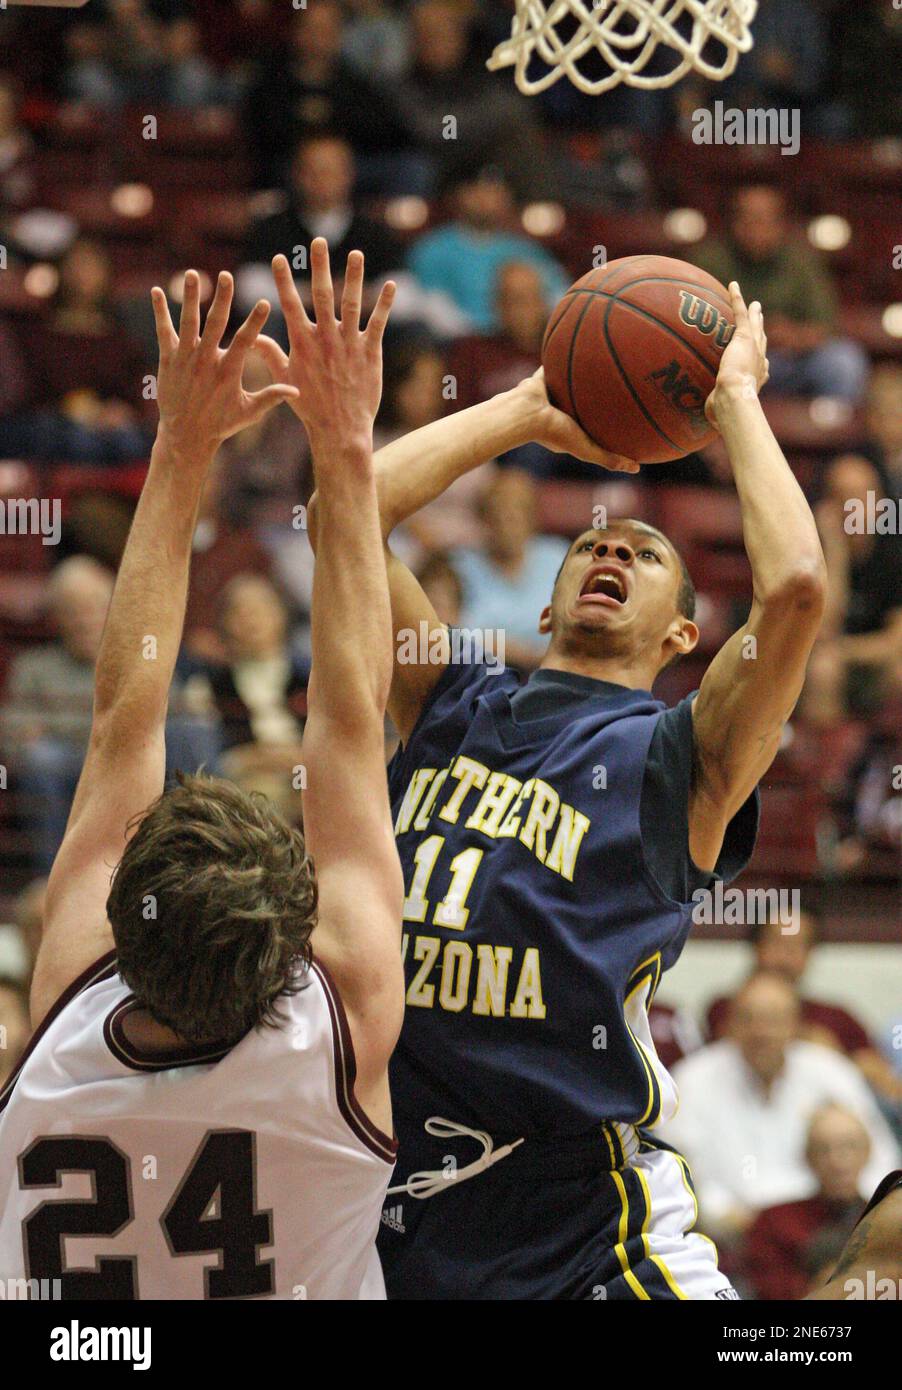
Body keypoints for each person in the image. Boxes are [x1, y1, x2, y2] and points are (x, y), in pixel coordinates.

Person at [268, 276, 828, 1299]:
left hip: (586, 1229)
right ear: (550, 591)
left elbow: (793, 586)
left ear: (678, 635)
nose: (610, 545)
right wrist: (526, 410)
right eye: (592, 543)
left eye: (643, 550)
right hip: (397, 1214)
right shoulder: (452, 699)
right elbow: (344, 510)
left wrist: (734, 398)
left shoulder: (681, 754)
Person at [0, 245, 406, 1300]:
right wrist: (343, 447)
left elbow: (125, 715)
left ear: (118, 928)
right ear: (291, 945)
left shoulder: (63, 1017)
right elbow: (354, 720)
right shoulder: (336, 1026)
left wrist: (185, 446)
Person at [666, 974, 899, 1245]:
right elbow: (677, 1177)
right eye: (748, 1019)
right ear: (730, 1025)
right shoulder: (692, 1080)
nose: (761, 1032)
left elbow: (881, 1161)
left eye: (774, 1020)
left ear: (796, 1025)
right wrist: (733, 1221)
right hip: (732, 1240)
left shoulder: (831, 1071)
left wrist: (859, 1220)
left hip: (831, 1231)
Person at [706, 907, 902, 1108]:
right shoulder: (725, 1008)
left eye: (797, 946)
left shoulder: (839, 1017)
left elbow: (883, 1079)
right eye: (777, 943)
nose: (785, 957)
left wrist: (838, 1059)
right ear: (756, 947)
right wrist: (808, 1042)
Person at [696, 186, 868, 403]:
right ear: (733, 223)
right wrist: (752, 335)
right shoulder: (708, 260)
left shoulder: (802, 261)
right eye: (748, 220)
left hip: (790, 359)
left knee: (844, 360)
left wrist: (792, 336)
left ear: (780, 224)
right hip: (731, 361)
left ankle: (829, 429)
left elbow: (826, 325)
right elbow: (693, 328)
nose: (756, 229)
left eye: (765, 220)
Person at [1, 557, 114, 874]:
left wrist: (53, 726)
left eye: (93, 607)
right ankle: (53, 877)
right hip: (64, 764)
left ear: (112, 611)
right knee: (42, 758)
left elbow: (161, 721)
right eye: (72, 611)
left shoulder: (133, 661)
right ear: (57, 619)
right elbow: (15, 734)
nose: (83, 620)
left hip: (125, 760)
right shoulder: (33, 667)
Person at [803, 454, 902, 726]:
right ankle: (826, 763)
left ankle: (888, 759)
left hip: (871, 661)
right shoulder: (808, 553)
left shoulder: (894, 554)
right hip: (817, 665)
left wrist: (843, 651)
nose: (853, 507)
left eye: (862, 496)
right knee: (824, 670)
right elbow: (823, 631)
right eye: (842, 496)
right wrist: (836, 552)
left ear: (881, 504)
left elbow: (896, 641)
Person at [408, 167, 568, 334]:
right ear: (457, 196)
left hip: (521, 343)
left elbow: (560, 295)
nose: (484, 199)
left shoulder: (525, 249)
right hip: (458, 345)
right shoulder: (433, 248)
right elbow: (427, 305)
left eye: (493, 190)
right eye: (476, 190)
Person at [744, 1105, 873, 1301]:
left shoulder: (887, 1220)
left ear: (867, 1153)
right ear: (807, 1158)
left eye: (849, 1146)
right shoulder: (774, 1223)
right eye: (823, 1150)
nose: (837, 1161)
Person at [449, 467, 568, 672]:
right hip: (484, 676)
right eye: (498, 514)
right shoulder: (459, 567)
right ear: (482, 520)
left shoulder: (557, 556)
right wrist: (524, 656)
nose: (507, 525)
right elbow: (447, 630)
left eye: (517, 514)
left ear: (532, 518)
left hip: (557, 673)